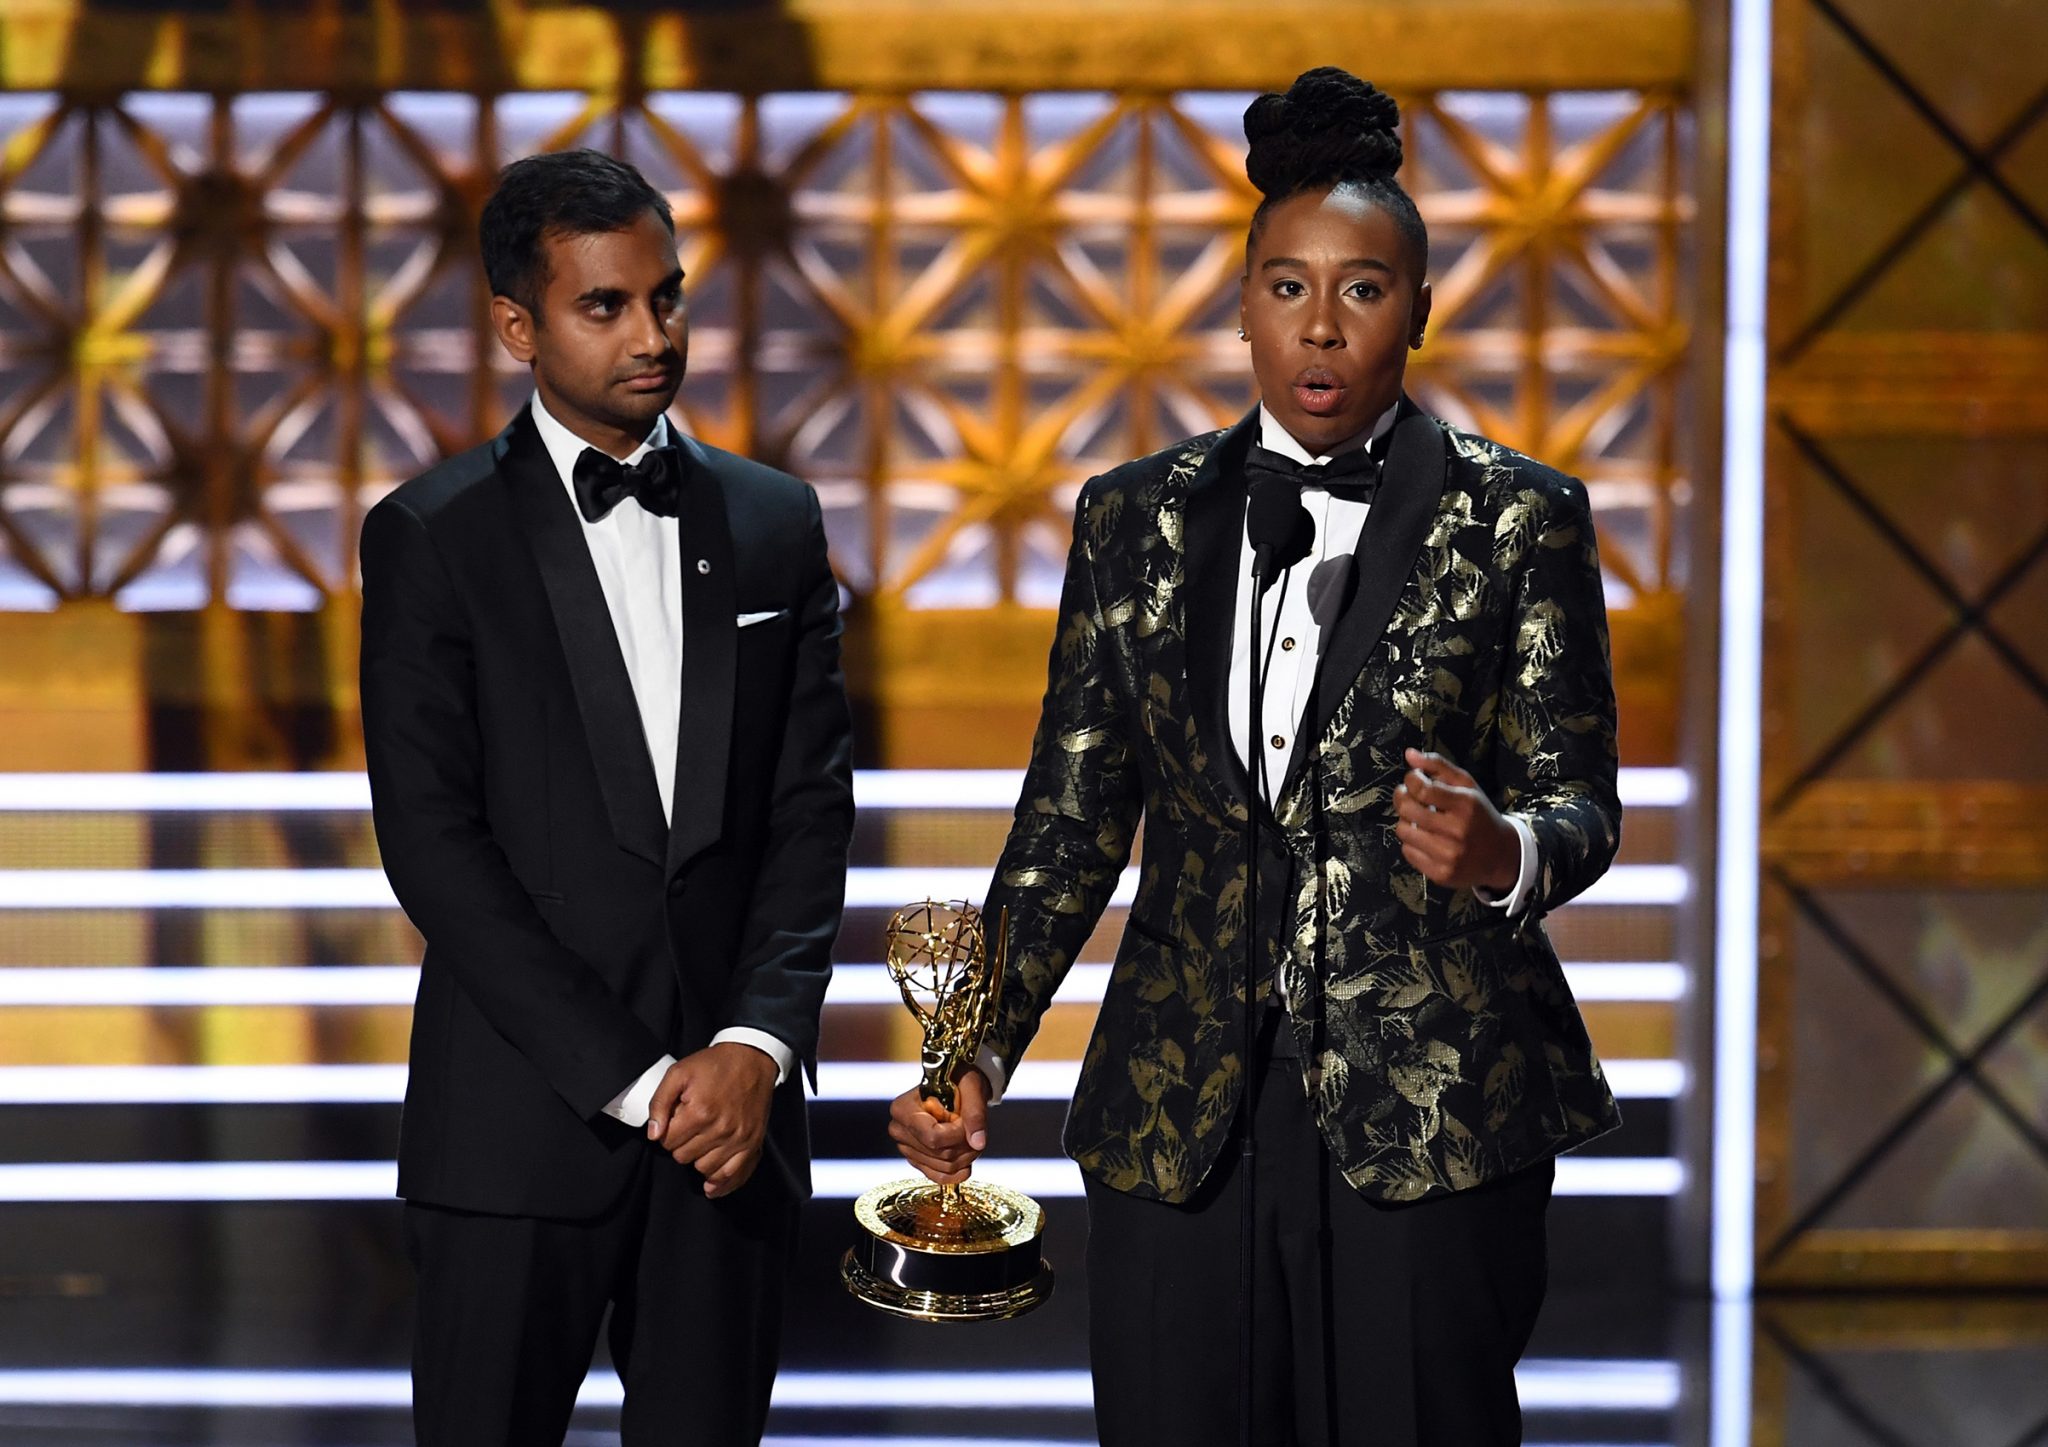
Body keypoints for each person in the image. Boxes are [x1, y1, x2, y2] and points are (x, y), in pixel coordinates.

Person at [888, 68, 1623, 1447]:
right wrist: (970, 1052)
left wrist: (1506, 850)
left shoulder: (1521, 520)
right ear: (1240, 304)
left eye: (1363, 288)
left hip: (1433, 1116)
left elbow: (1581, 796)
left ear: (1419, 304)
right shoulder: (1133, 520)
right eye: (1288, 287)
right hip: (1182, 1115)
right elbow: (1069, 816)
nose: (1323, 326)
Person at [360, 148, 854, 1447]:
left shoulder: (775, 522)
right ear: (516, 324)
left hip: (733, 1145)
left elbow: (810, 818)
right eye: (607, 306)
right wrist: (639, 1082)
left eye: (669, 297)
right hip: (518, 1133)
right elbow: (435, 847)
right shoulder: (432, 536)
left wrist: (753, 1051)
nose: (654, 335)